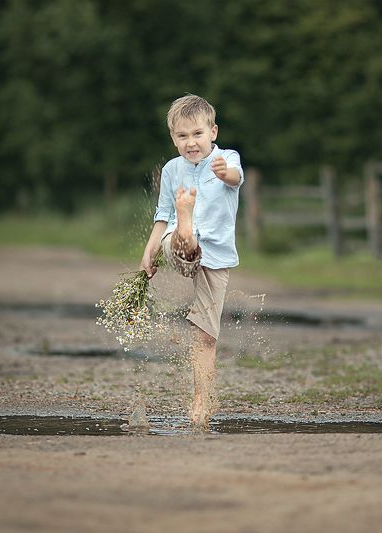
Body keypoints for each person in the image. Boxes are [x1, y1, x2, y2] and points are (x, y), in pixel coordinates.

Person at [140, 94, 243, 428]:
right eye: (182, 136)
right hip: (176, 244)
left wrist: (224, 172)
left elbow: (236, 178)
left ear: (213, 131)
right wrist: (150, 248)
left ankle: (202, 399)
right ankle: (186, 231)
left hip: (216, 255)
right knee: (179, 239)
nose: (190, 142)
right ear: (173, 139)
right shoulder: (172, 170)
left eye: (197, 134)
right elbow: (161, 214)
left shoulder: (227, 158)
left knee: (205, 335)